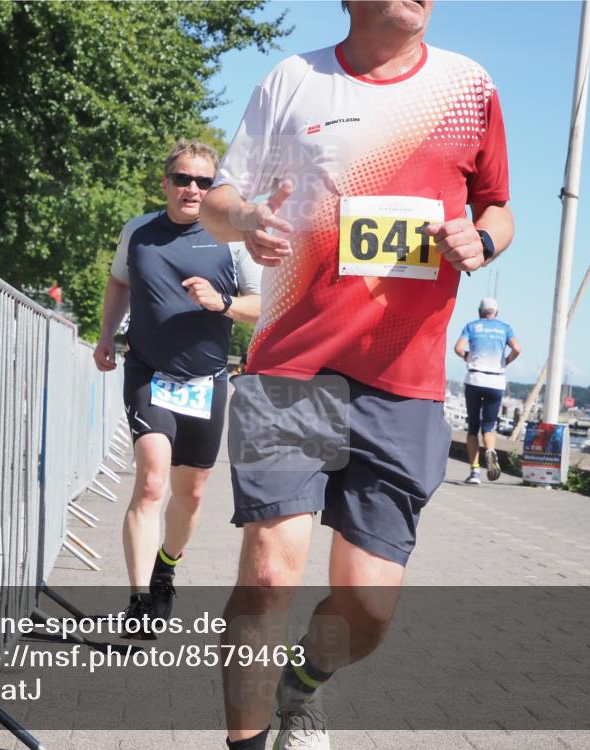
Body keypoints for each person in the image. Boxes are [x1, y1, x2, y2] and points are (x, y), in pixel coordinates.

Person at [200, 0, 513, 747]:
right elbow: (218, 198)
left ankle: (302, 685)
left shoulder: (469, 87)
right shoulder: (293, 80)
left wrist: (482, 240)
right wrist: (242, 220)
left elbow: (498, 206)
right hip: (292, 363)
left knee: (369, 606)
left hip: (402, 381)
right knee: (271, 573)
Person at [94, 140, 262, 637]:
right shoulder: (139, 231)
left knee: (191, 494)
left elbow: (260, 306)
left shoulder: (233, 240)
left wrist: (221, 303)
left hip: (207, 382)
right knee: (150, 481)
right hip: (148, 371)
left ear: (215, 190)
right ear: (166, 183)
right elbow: (119, 282)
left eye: (205, 182)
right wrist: (106, 335)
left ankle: (167, 564)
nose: (193, 189)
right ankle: (141, 598)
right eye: (184, 179)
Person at [454, 297, 521, 485]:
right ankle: (490, 451)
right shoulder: (504, 328)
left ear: (479, 311)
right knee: (489, 425)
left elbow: (458, 348)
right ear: (496, 312)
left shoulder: (472, 326)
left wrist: (468, 356)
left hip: (475, 378)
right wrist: (506, 361)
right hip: (496, 380)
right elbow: (517, 348)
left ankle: (475, 472)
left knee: (473, 427)